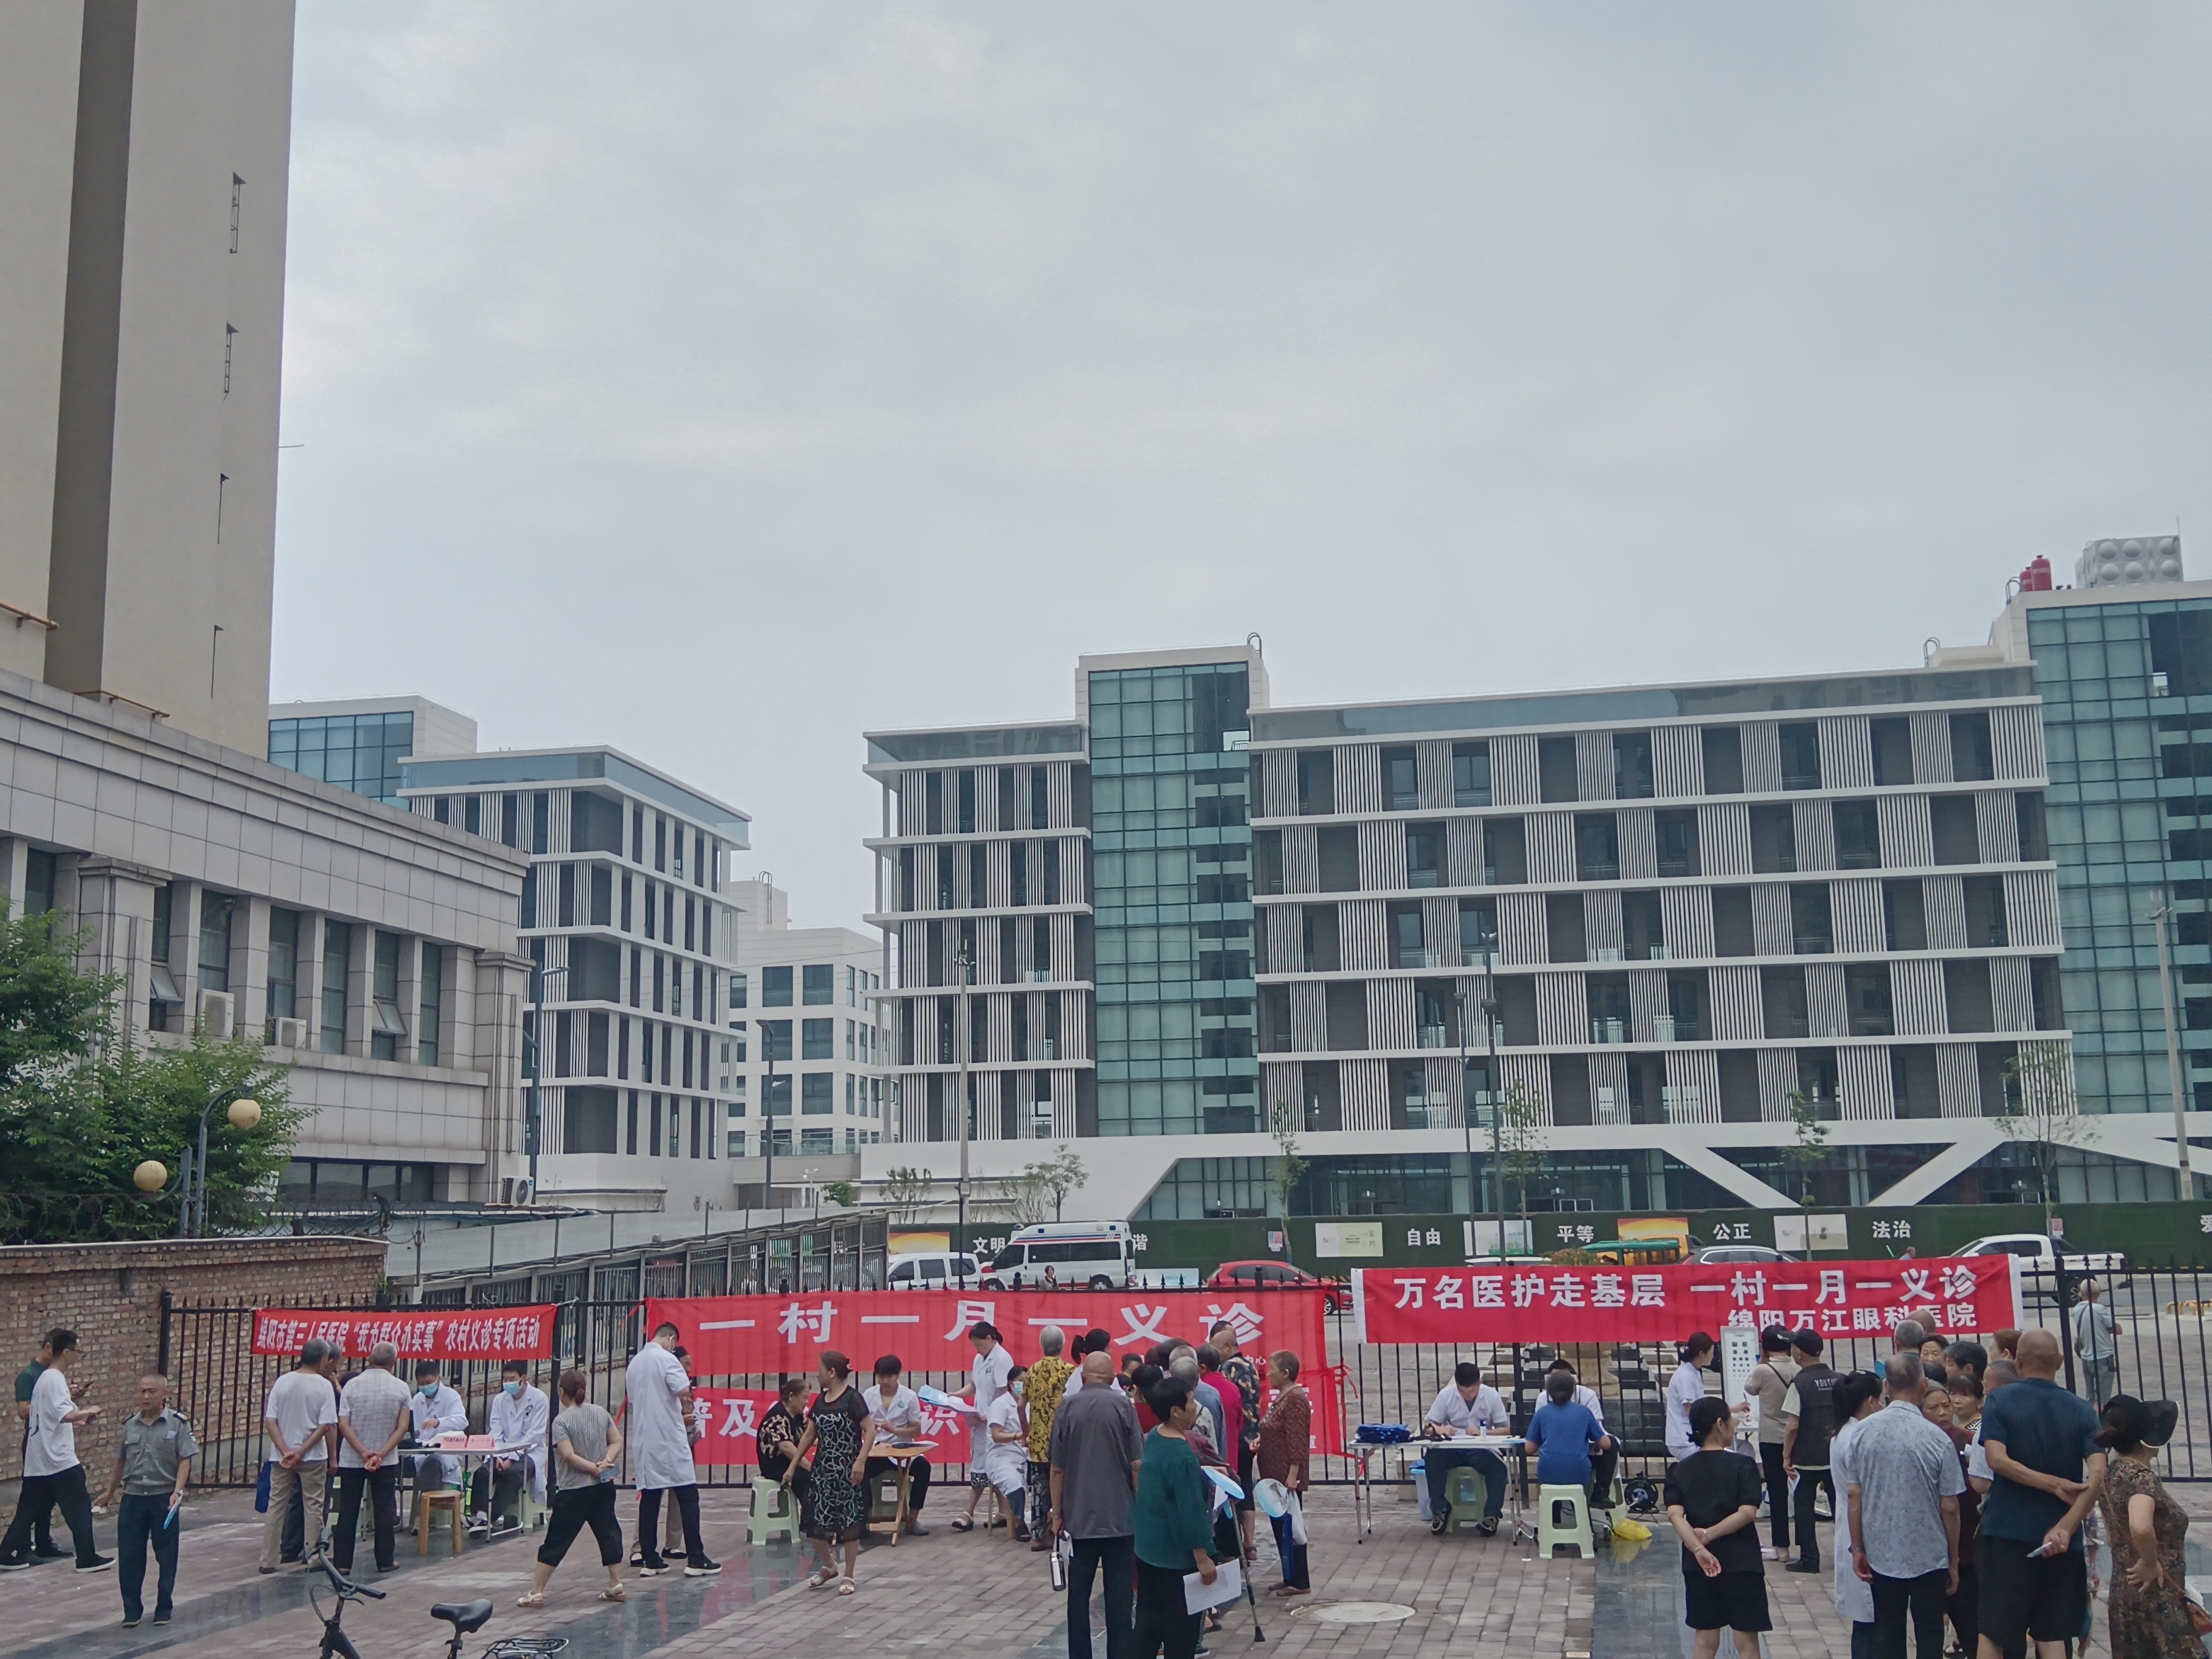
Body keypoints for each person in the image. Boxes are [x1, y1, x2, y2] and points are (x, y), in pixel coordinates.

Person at [1975, 1328, 2104, 1659]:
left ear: (2017, 1362)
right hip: (2061, 1540)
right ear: (2060, 1362)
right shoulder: (2082, 1410)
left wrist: (2051, 1484)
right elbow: (2099, 1473)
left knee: (1994, 1630)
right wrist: (2067, 1525)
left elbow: (1997, 1460)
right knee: (2053, 1633)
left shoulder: (2000, 1401)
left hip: (2007, 1531)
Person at [1845, 1356, 1962, 1659]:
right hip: (1930, 1553)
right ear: (1924, 1386)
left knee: (1887, 1631)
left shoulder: (1862, 1433)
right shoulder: (1937, 1439)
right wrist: (1953, 1558)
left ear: (1887, 1386)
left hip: (1881, 1550)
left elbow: (1854, 1494)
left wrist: (1857, 1547)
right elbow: (1950, 1506)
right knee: (1930, 1632)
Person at [1051, 1350, 1145, 1659]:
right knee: (1119, 1595)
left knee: (1078, 1595)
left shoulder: (1067, 1407)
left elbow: (1057, 1469)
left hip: (1079, 1517)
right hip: (1121, 1516)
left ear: (1083, 1377)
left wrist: (1057, 1513)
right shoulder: (1124, 1406)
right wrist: (1140, 1507)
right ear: (1113, 1377)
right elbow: (1136, 1464)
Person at [1665, 1396, 1770, 1659]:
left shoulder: (1680, 1470)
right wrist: (1709, 1535)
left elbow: (1675, 1515)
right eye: (1730, 1420)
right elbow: (1747, 1512)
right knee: (1747, 1642)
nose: (1734, 1425)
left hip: (1698, 1564)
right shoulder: (1743, 1465)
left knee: (1705, 1640)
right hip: (1741, 1560)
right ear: (1720, 1424)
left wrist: (1698, 1548)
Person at [2093, 1395, 2196, 1657]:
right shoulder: (2141, 1478)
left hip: (2124, 1589)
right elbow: (2140, 1526)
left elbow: (2114, 1531)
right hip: (2156, 1592)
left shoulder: (2110, 1474)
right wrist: (2150, 1562)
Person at [518, 1370, 624, 1608]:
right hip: (603, 1487)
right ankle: (616, 1583)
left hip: (573, 1491)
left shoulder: (562, 1421)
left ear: (561, 1392)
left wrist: (592, 1468)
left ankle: (537, 1591)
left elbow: (567, 1455)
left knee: (557, 1539)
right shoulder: (601, 1412)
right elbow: (617, 1441)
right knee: (609, 1532)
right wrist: (604, 1462)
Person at [0, 1328, 104, 1572]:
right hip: (58, 1459)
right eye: (77, 1351)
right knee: (79, 1507)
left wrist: (79, 1417)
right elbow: (64, 1414)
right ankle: (87, 1558)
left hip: (39, 1461)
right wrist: (89, 1411)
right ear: (66, 1352)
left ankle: (5, 1553)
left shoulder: (45, 1379)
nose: (78, 1356)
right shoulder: (54, 1378)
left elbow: (52, 1414)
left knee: (29, 1510)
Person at [1133, 1378, 1219, 1659]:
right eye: (1191, 1402)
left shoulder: (1153, 1438)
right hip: (1174, 1557)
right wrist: (1202, 1557)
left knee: (1147, 1623)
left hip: (1148, 1548)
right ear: (1176, 1411)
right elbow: (1190, 1509)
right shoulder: (1182, 1455)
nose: (1195, 1407)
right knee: (1181, 1632)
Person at [99, 1374, 194, 1626]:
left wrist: (178, 1491)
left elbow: (185, 1459)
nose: (146, 1396)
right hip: (134, 1497)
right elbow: (121, 1461)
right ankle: (132, 1610)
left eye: (152, 1391)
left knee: (166, 1555)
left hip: (163, 1498)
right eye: (142, 1391)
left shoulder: (177, 1424)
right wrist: (109, 1492)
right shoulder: (130, 1425)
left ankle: (164, 1606)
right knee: (130, 1556)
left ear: (164, 1394)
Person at [624, 1321, 718, 1576]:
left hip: (645, 1440)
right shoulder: (667, 1359)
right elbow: (684, 1390)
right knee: (688, 1496)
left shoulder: (635, 1364)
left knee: (650, 1498)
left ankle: (650, 1559)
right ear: (671, 1339)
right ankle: (696, 1558)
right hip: (668, 1439)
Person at [782, 1351, 874, 1595]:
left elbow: (871, 1430)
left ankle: (849, 1575)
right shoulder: (821, 1401)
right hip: (823, 1470)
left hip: (847, 1471)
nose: (817, 1374)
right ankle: (829, 1565)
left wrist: (860, 1461)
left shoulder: (853, 1399)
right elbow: (809, 1435)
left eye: (820, 1370)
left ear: (832, 1373)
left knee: (850, 1524)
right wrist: (793, 1466)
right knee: (813, 1522)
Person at [332, 1341, 412, 1577]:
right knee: (384, 1509)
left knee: (348, 1509)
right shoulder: (401, 1388)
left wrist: (363, 1451)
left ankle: (343, 1562)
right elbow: (402, 1427)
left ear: (369, 1359)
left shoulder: (351, 1386)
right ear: (393, 1363)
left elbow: (343, 1424)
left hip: (352, 1458)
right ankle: (385, 1560)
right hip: (386, 1460)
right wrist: (381, 1453)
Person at [259, 1338, 337, 1573]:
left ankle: (268, 1559)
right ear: (322, 1359)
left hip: (281, 1457)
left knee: (276, 1506)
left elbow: (270, 1421)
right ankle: (313, 1556)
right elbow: (325, 1426)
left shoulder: (282, 1381)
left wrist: (285, 1451)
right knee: (313, 1505)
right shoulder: (324, 1386)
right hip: (312, 1456)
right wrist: (303, 1452)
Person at [1827, 1372, 1885, 1659]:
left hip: (1853, 1528)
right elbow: (1858, 1493)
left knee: (1867, 1621)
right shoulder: (1856, 1438)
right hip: (1861, 1531)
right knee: (1869, 1623)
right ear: (1871, 1401)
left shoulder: (1845, 1432)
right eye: (1882, 1399)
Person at [1421, 1360, 1512, 1537]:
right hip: (1453, 1448)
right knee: (1433, 1459)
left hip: (1481, 1449)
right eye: (1462, 1391)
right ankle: (1440, 1510)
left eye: (1472, 1391)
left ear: (1479, 1384)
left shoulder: (1491, 1396)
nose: (1467, 1395)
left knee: (1498, 1467)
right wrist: (1440, 1429)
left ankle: (1491, 1516)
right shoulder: (1446, 1395)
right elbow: (1428, 1427)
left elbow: (1506, 1429)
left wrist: (1483, 1432)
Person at [1781, 1329, 1839, 1574]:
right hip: (1835, 1456)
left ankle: (1809, 1560)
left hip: (1806, 1457)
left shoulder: (1800, 1384)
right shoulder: (1839, 1380)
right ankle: (1849, 1556)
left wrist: (1786, 1455)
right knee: (1841, 1509)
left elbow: (1792, 1426)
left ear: (1799, 1353)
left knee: (1804, 1508)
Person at [474, 1360, 549, 1536]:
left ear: (524, 1378)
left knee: (512, 1475)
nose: (508, 1383)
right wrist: (499, 1456)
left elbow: (535, 1434)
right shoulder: (500, 1400)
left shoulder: (539, 1399)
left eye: (512, 1379)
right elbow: (495, 1431)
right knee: (482, 1474)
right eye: (505, 1379)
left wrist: (513, 1458)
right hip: (501, 1451)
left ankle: (489, 1517)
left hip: (530, 1453)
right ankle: (480, 1516)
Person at [12, 1330, 69, 1562]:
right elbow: (23, 1411)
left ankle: (44, 1543)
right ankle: (22, 1547)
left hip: (51, 1440)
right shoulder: (29, 1376)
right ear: (48, 1348)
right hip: (36, 1443)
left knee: (48, 1496)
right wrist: (46, 1403)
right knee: (32, 1496)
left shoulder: (51, 1375)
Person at [1257, 1351, 1311, 1597]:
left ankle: (1300, 1580)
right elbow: (1277, 1430)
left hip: (1285, 1477)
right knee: (1281, 1528)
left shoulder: (1295, 1400)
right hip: (1273, 1475)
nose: (1268, 1373)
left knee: (1292, 1528)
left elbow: (1297, 1441)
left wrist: (1293, 1474)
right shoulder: (1283, 1397)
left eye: (1273, 1368)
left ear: (1286, 1373)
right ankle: (1290, 1575)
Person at [952, 1321, 1014, 1533]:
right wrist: (954, 1396)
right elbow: (974, 1386)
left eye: (980, 1345)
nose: (978, 1350)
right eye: (975, 1346)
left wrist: (990, 1415)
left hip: (994, 1423)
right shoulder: (979, 1359)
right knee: (987, 1467)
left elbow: (1005, 1393)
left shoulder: (1003, 1359)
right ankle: (1005, 1512)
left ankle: (967, 1513)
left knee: (986, 1467)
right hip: (980, 1423)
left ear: (990, 1338)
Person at [1742, 1327, 1799, 1553]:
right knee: (1802, 1492)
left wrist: (1762, 1360)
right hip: (1796, 1436)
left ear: (1764, 1346)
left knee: (1777, 1492)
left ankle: (1782, 1548)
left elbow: (1750, 1388)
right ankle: (1806, 1545)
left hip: (1771, 1438)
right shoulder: (1798, 1369)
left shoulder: (1763, 1371)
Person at [1209, 1321, 1262, 1555]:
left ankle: (1234, 1542)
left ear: (1228, 1346)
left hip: (1235, 1436)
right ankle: (1250, 1542)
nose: (1215, 1352)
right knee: (1247, 1485)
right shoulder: (1250, 1366)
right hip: (1251, 1436)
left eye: (1216, 1347)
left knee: (1231, 1486)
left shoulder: (1228, 1368)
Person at [862, 1356, 929, 1535]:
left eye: (889, 1377)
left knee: (923, 1467)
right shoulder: (868, 1395)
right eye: (881, 1377)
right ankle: (865, 1518)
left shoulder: (909, 1396)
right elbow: (860, 1425)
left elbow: (916, 1430)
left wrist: (896, 1430)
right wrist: (871, 1428)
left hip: (901, 1447)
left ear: (898, 1375)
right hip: (876, 1448)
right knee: (859, 1470)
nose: (885, 1381)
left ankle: (913, 1518)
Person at [1025, 1327, 1076, 1550]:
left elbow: (1021, 1405)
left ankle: (1037, 1536)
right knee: (1066, 1486)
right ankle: (1064, 1532)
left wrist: (1026, 1432)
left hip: (1038, 1440)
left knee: (1039, 1491)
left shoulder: (1032, 1371)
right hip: (1063, 1439)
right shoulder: (1070, 1371)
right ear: (1062, 1345)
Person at [1546, 1360, 1620, 1512]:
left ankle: (1600, 1493)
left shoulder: (1587, 1396)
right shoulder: (1544, 1399)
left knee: (1611, 1445)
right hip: (1572, 1456)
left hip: (1580, 1449)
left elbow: (1597, 1426)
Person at [1525, 1372, 1611, 1500]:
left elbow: (1529, 1448)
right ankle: (1585, 1506)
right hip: (1578, 1472)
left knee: (1549, 1500)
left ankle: (1553, 1511)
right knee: (1581, 1496)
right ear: (1573, 1391)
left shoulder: (1541, 1414)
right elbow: (1606, 1444)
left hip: (1548, 1472)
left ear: (1549, 1392)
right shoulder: (1584, 1412)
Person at [982, 1363, 1031, 1537]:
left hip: (1026, 1455)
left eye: (1028, 1381)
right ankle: (1019, 1523)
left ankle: (1045, 1522)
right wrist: (1018, 1436)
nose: (1024, 1385)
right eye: (1021, 1381)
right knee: (1014, 1482)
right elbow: (996, 1435)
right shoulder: (1000, 1405)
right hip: (1002, 1456)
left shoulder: (1030, 1404)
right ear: (1011, 1384)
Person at [408, 1360, 468, 1498]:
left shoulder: (451, 1396)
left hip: (445, 1452)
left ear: (438, 1378)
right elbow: (416, 1429)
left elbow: (462, 1421)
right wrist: (414, 1434)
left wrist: (439, 1422)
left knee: (432, 1466)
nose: (425, 1387)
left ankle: (427, 1507)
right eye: (421, 1384)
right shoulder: (417, 1399)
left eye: (428, 1382)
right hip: (422, 1451)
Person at [2071, 1279, 2121, 1407]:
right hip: (2103, 1356)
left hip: (2086, 1357)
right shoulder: (2099, 1309)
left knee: (2090, 1396)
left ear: (2081, 1293)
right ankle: (2100, 1418)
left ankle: (2090, 1416)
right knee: (2103, 1398)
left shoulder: (2077, 1310)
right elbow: (2117, 1329)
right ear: (2099, 1293)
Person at [1666, 1333, 1716, 1462]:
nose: (1713, 1356)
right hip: (1684, 1441)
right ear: (1702, 1354)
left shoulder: (1694, 1372)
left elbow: (1701, 1405)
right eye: (1711, 1353)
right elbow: (1691, 1410)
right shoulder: (1686, 1376)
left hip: (1689, 1438)